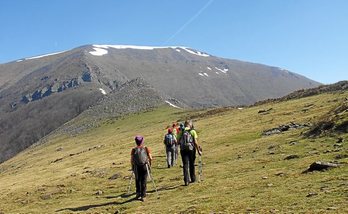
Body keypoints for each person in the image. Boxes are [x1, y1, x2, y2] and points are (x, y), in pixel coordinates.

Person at [177, 120, 202, 186]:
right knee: (191, 163)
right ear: (190, 124)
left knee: (185, 165)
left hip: (183, 150)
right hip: (191, 149)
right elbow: (195, 142)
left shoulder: (181, 131)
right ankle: (193, 178)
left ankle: (186, 181)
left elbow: (177, 141)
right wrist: (198, 150)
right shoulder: (192, 131)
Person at [130, 135, 152, 201]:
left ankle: (138, 193)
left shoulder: (133, 150)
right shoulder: (146, 148)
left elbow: (131, 160)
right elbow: (150, 158)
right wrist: (150, 165)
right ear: (142, 141)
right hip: (144, 166)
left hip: (136, 167)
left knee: (137, 179)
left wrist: (132, 167)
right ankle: (143, 196)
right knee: (144, 180)